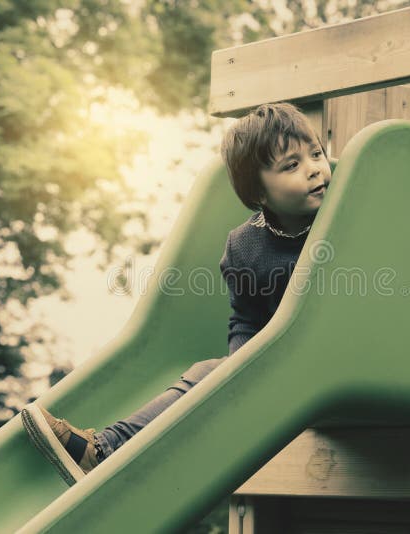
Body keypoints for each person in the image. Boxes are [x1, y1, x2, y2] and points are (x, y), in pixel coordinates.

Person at [21, 102, 332, 485]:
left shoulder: (343, 209)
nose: (315, 168)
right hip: (288, 371)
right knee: (210, 374)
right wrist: (241, 371)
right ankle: (101, 451)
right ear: (259, 193)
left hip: (339, 359)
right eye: (291, 165)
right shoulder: (244, 246)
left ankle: (106, 449)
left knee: (208, 373)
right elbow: (246, 319)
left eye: (316, 153)